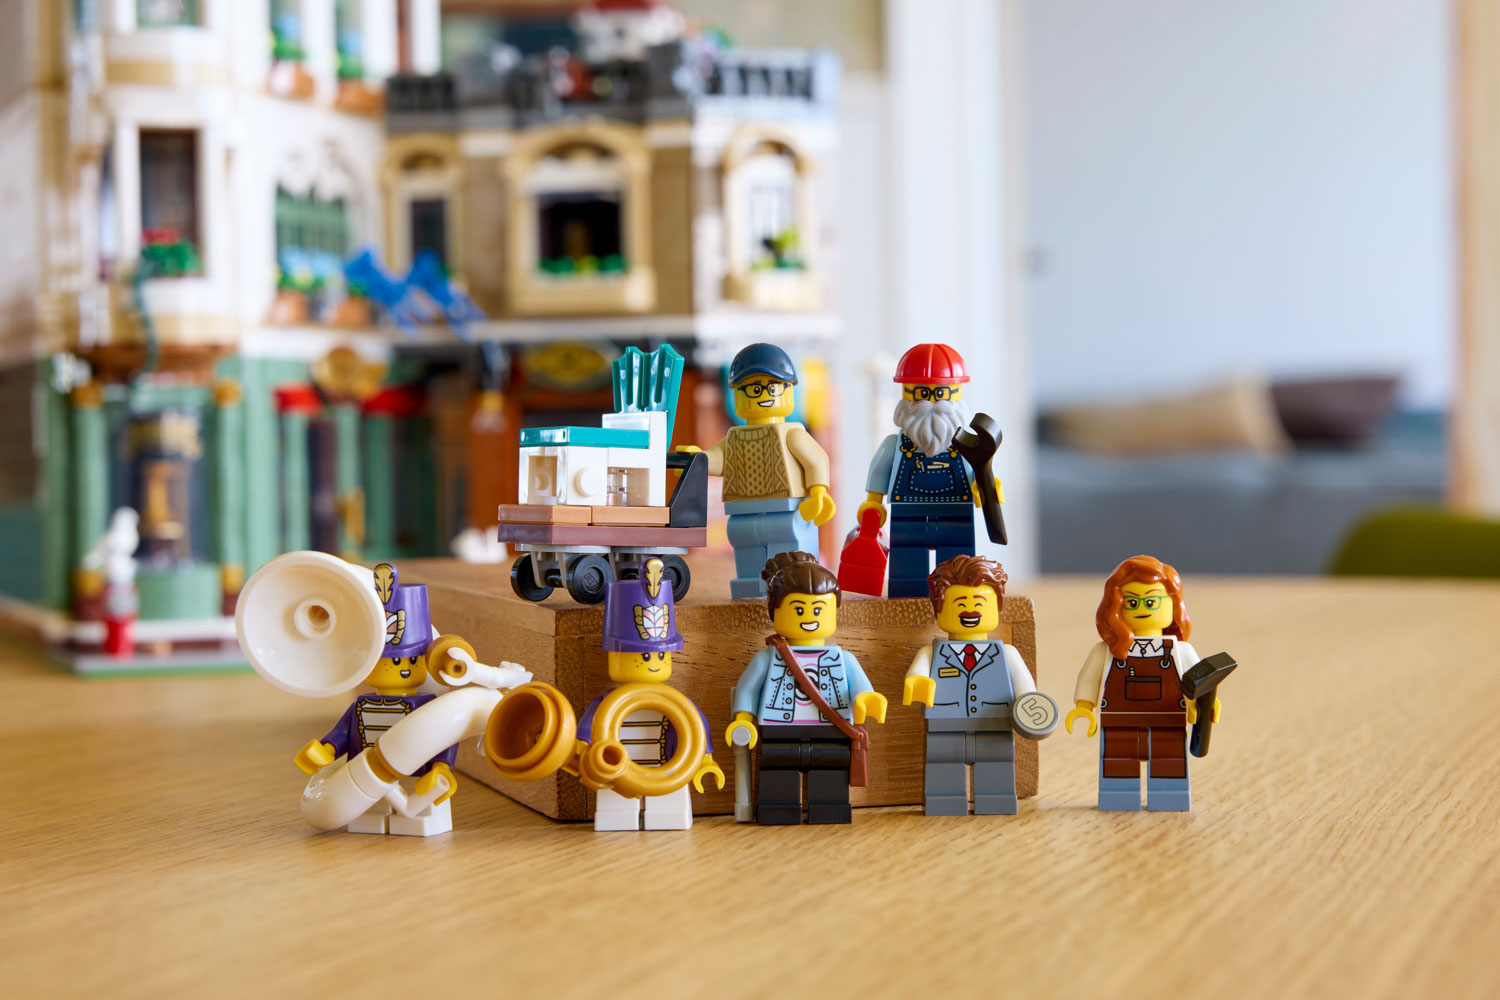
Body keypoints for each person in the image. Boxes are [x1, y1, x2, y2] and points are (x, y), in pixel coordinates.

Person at [293, 562, 459, 835]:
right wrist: (326, 750)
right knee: (371, 808)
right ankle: (371, 817)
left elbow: (443, 737)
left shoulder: (427, 706)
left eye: (411, 661)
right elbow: (343, 732)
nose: (401, 668)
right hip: (367, 775)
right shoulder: (362, 705)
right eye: (389, 662)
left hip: (416, 774)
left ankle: (419, 817)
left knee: (422, 806)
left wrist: (441, 768)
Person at [727, 552, 887, 824]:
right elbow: (747, 689)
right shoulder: (768, 658)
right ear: (775, 611)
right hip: (779, 731)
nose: (810, 617)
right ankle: (777, 809)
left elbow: (862, 689)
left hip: (832, 731)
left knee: (831, 772)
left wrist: (867, 700)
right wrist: (743, 720)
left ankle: (829, 808)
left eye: (819, 609)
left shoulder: (843, 659)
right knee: (777, 772)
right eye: (799, 609)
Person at [1064, 555, 1221, 811]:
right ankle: (1118, 798)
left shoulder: (1180, 651)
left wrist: (1203, 704)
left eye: (1150, 601)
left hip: (1168, 722)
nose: (1141, 608)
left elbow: (1199, 685)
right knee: (1118, 768)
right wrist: (1084, 706)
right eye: (1131, 602)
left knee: (1169, 767)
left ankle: (1170, 797)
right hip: (1119, 723)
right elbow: (1090, 678)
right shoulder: (1107, 651)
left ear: (1173, 603)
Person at [678, 343, 835, 598]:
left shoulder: (792, 434)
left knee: (789, 555)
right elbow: (718, 459)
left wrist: (818, 492)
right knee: (749, 555)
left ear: (789, 390)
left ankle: (793, 589)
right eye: (753, 389)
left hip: (787, 511)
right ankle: (751, 589)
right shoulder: (734, 438)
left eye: (772, 387)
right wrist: (697, 461)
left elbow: (816, 460)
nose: (763, 395)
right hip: (743, 512)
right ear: (736, 394)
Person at [904, 554, 1056, 815]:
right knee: (943, 770)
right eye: (960, 604)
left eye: (979, 603)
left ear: (997, 606)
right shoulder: (932, 653)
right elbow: (916, 674)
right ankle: (944, 802)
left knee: (996, 768)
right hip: (944, 725)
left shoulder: (1007, 653)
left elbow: (1025, 685)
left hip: (995, 724)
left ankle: (996, 800)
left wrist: (1029, 705)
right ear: (939, 608)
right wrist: (917, 683)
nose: (970, 611)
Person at [583, 558, 722, 831]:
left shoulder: (677, 705)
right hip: (616, 774)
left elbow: (695, 730)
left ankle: (668, 815)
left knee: (670, 807)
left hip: (666, 770)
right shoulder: (605, 706)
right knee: (615, 811)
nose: (655, 661)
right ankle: (618, 819)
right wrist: (584, 755)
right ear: (613, 655)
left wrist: (705, 761)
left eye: (661, 654)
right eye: (646, 655)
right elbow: (586, 736)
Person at [859, 343, 1003, 597]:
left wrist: (984, 487)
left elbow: (976, 475)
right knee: (907, 570)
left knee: (958, 570)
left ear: (956, 393)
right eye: (922, 393)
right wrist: (873, 503)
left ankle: (956, 604)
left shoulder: (968, 447)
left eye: (941, 394)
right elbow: (880, 471)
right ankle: (906, 609)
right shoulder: (894, 445)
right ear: (906, 393)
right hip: (907, 515)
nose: (932, 403)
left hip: (956, 514)